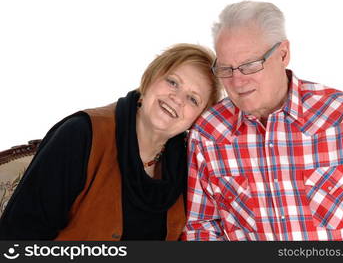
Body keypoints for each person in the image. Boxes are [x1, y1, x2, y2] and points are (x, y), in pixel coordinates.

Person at [181, 1, 343, 241]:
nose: (237, 81)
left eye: (250, 65)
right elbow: (202, 227)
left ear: (283, 54)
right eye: (226, 69)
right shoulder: (207, 133)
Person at [0, 43, 221, 240]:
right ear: (150, 79)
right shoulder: (80, 134)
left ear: (198, 119)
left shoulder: (187, 165)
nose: (177, 98)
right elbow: (21, 235)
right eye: (172, 82)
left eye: (193, 99)